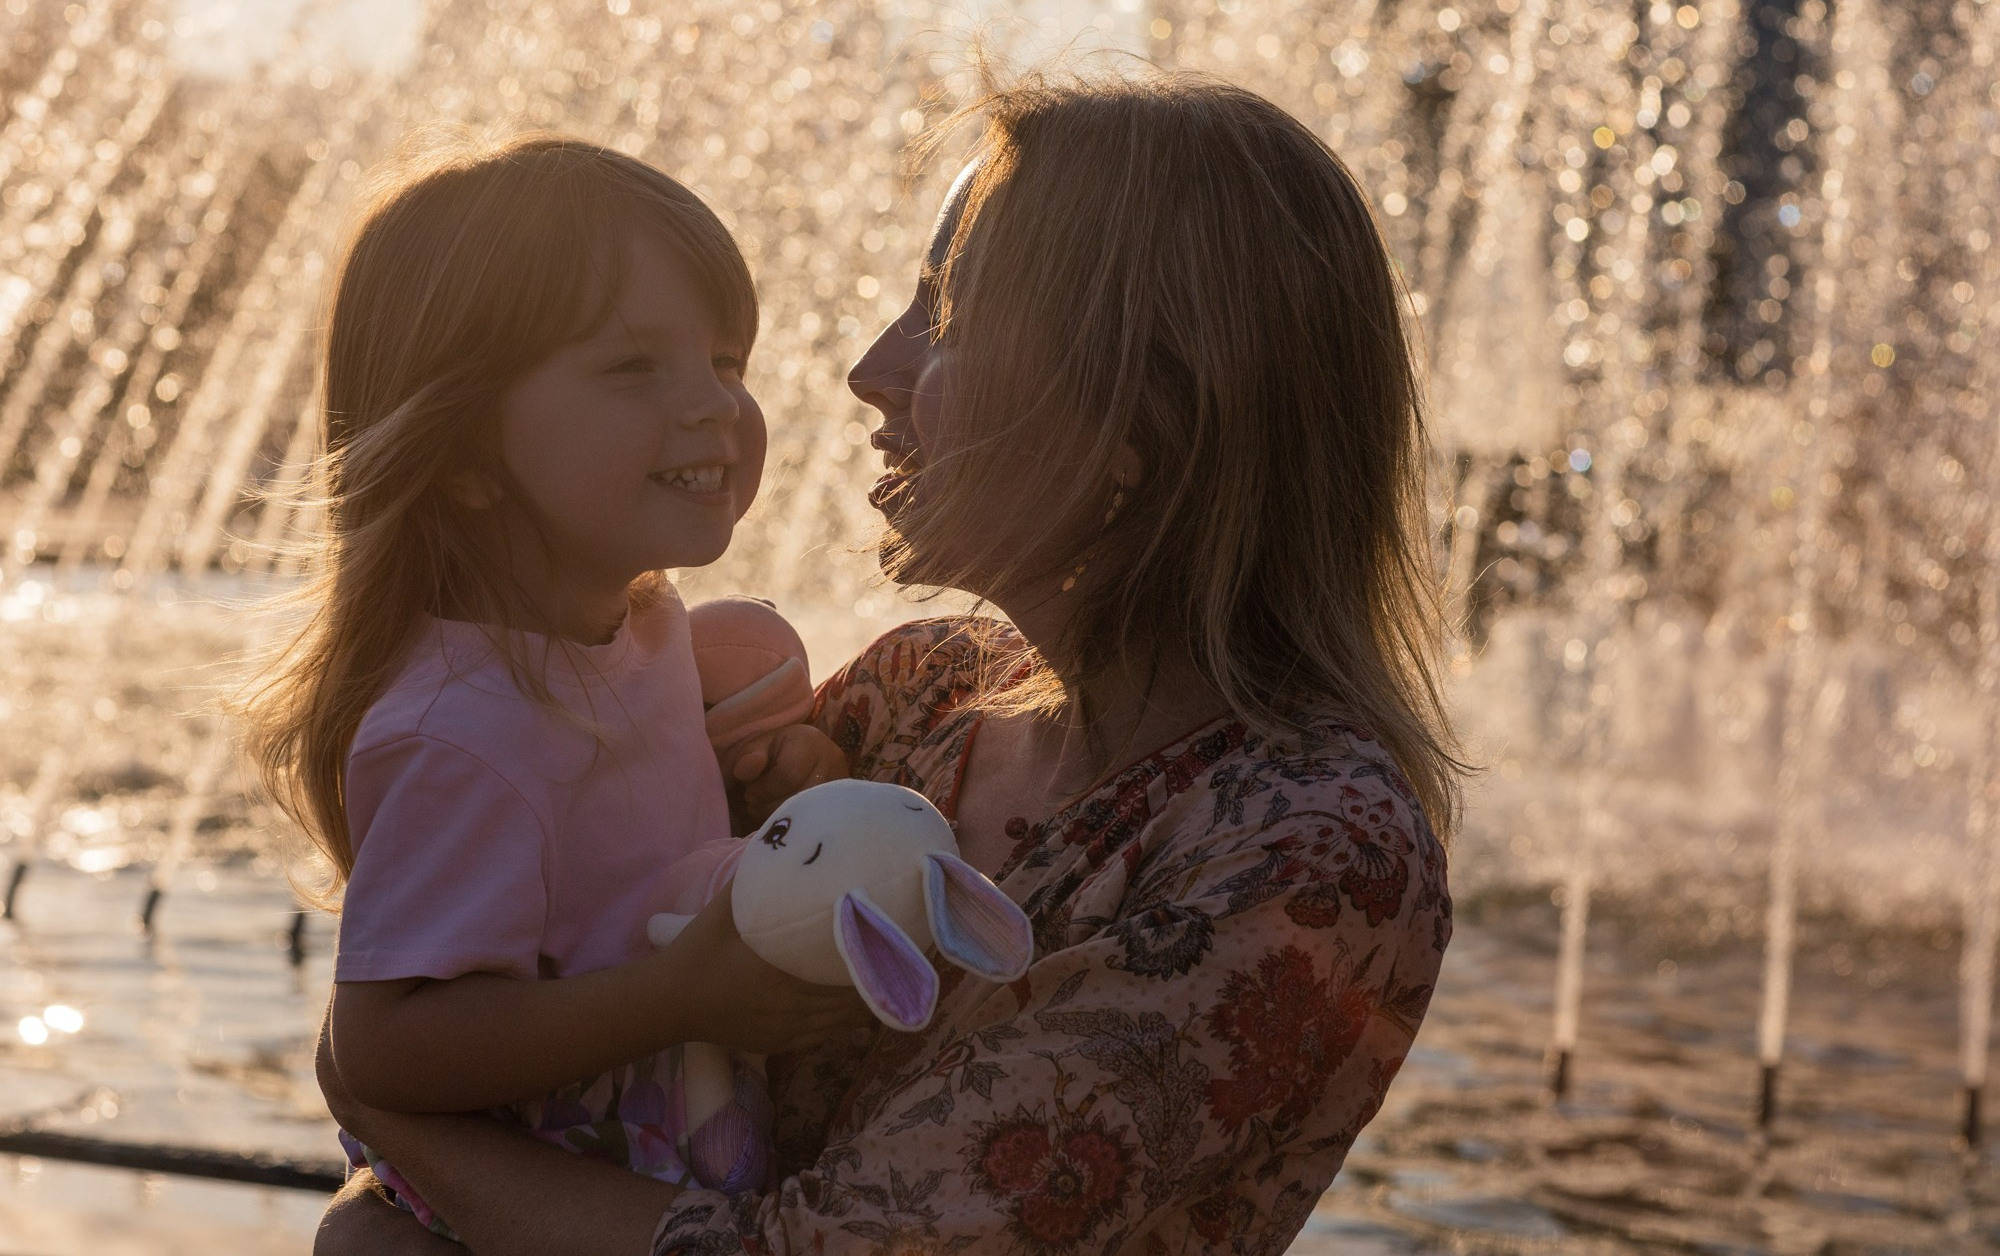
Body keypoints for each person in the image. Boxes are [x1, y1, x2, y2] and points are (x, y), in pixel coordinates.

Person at [314, 69, 1462, 1255]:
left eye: (945, 317)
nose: (868, 367)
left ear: (1139, 413)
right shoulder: (917, 693)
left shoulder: (1306, 852)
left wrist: (399, 1135)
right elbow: (520, 973)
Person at [240, 134, 861, 1239]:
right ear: (464, 453)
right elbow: (386, 1047)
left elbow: (607, 874)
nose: (714, 404)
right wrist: (678, 997)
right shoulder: (461, 728)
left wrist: (766, 806)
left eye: (727, 361)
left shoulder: (638, 632)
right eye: (633, 367)